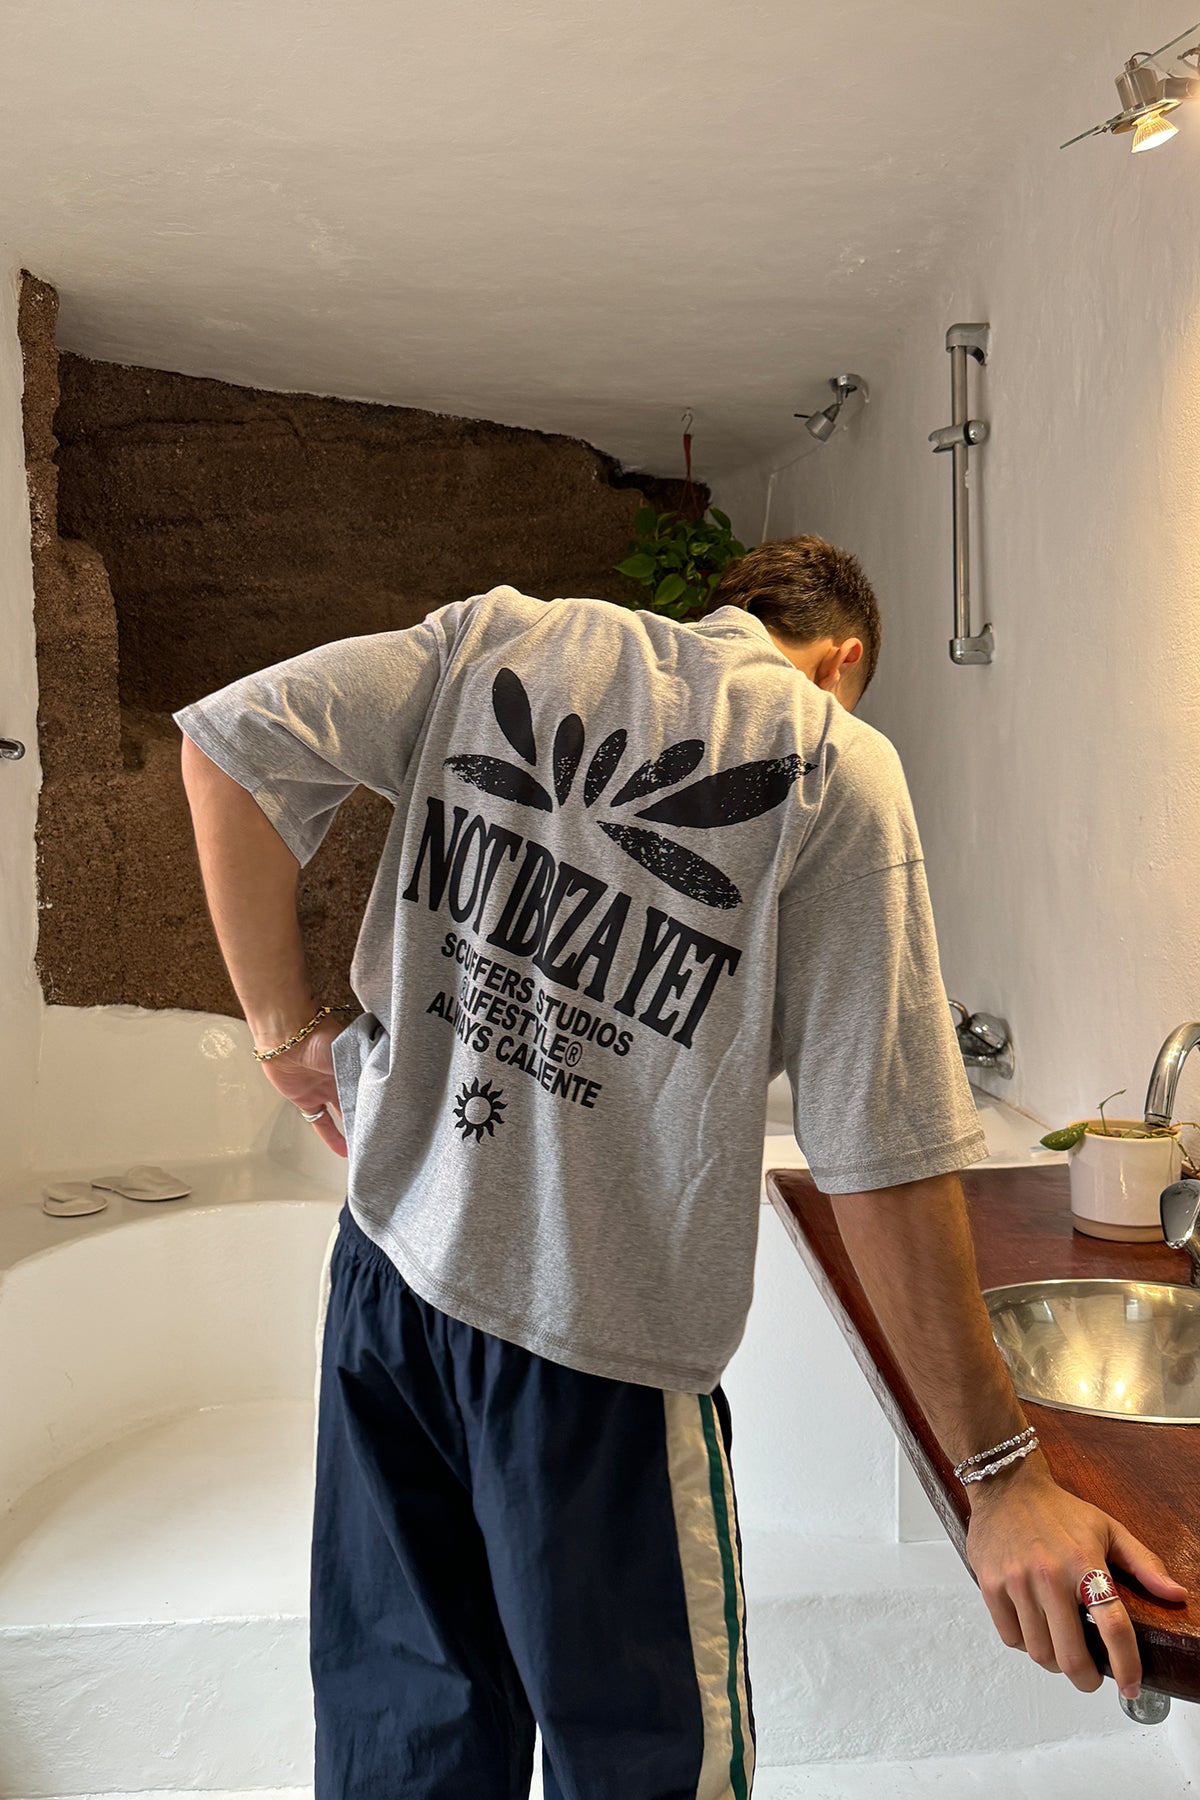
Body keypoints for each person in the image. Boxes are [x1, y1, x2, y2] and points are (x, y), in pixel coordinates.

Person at [175, 533, 1185, 1800]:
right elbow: (879, 1155)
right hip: (596, 1357)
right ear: (842, 661)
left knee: (404, 1752)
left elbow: (228, 746)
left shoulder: (499, 637)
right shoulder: (830, 763)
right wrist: (1002, 1477)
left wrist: (286, 1041)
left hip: (386, 1287)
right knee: (649, 1774)